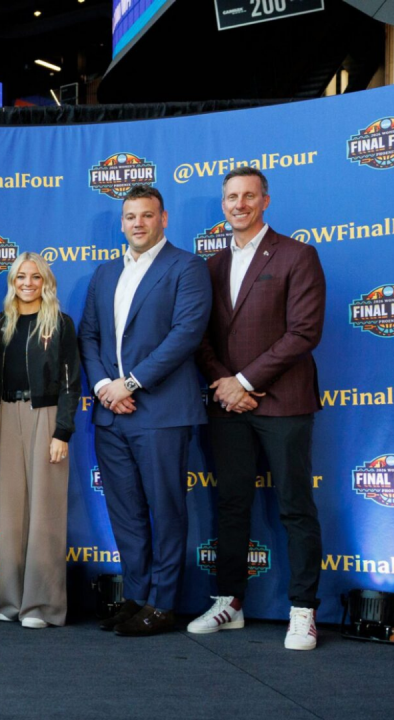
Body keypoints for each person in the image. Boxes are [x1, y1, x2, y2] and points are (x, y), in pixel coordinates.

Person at [191, 167, 326, 650]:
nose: (239, 204)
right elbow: (200, 338)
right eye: (232, 197)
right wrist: (225, 385)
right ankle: (229, 601)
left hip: (284, 403)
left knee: (294, 506)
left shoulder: (297, 255)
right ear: (222, 204)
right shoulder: (210, 265)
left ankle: (303, 610)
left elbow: (304, 331)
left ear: (265, 201)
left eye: (249, 195)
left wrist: (244, 382)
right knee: (231, 505)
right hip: (228, 407)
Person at [78, 185, 212, 637]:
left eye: (147, 215)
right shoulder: (105, 272)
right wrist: (104, 388)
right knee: (126, 512)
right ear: (122, 223)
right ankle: (136, 597)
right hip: (111, 414)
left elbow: (186, 334)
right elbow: (88, 336)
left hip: (162, 412)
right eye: (131, 216)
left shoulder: (187, 267)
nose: (138, 223)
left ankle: (163, 603)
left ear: (163, 219)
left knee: (166, 511)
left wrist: (130, 383)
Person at [0, 253, 80, 629]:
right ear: (12, 282)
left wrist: (62, 432)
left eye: (35, 277)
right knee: (9, 514)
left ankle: (42, 605)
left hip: (47, 415)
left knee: (44, 512)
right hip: (5, 415)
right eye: (20, 277)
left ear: (46, 282)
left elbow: (71, 382)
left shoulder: (60, 323)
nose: (27, 283)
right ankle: (11, 600)